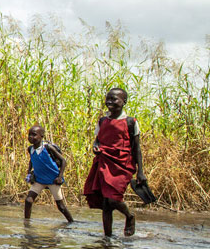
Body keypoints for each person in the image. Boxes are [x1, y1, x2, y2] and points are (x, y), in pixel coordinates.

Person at [83, 87, 147, 237]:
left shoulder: (130, 122)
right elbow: (97, 141)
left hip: (122, 165)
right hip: (104, 163)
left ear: (124, 102)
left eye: (114, 99)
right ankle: (108, 238)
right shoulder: (103, 121)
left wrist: (140, 172)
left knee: (113, 198)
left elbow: (137, 148)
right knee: (106, 204)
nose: (110, 102)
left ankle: (130, 216)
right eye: (108, 99)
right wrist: (95, 147)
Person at [24, 124, 74, 223]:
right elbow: (32, 160)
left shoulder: (48, 148)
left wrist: (60, 177)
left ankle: (71, 222)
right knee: (28, 200)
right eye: (29, 135)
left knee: (61, 206)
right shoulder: (30, 149)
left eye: (34, 135)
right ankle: (26, 223)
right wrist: (29, 172)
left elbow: (63, 161)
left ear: (41, 136)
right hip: (39, 180)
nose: (31, 137)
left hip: (53, 180)